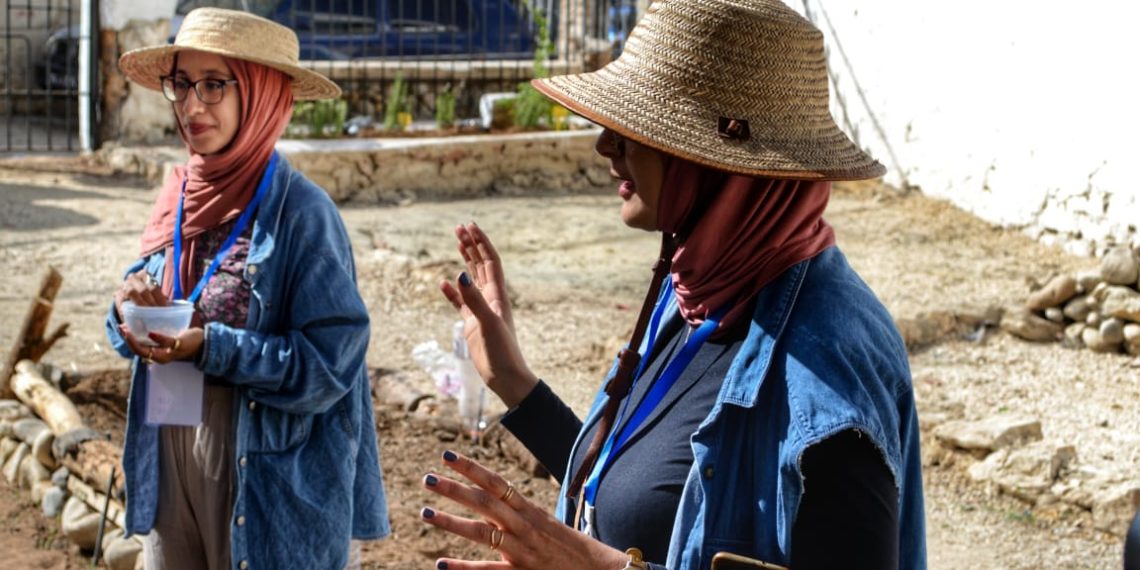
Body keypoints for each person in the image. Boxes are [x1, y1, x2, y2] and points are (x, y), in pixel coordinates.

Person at [421, 0, 925, 568]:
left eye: (636, 128)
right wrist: (515, 383)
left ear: (718, 165)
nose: (605, 146)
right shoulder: (699, 287)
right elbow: (640, 500)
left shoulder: (829, 369)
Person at [106, 8, 388, 569]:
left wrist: (210, 346)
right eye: (182, 84)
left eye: (214, 85)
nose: (191, 105)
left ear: (260, 96)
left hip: (262, 475)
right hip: (169, 456)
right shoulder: (179, 196)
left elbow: (329, 369)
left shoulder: (303, 215)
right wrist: (125, 315)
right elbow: (139, 316)